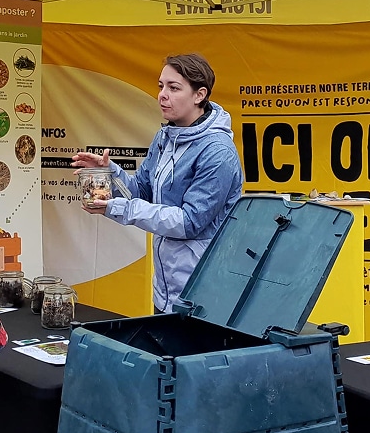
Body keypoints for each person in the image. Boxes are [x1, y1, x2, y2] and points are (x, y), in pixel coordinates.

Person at [72, 53, 243, 313]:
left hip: (204, 297)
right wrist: (110, 172)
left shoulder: (218, 152)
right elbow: (140, 191)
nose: (163, 94)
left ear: (199, 95)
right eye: (161, 86)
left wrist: (117, 209)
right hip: (166, 290)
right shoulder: (165, 136)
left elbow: (189, 222)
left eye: (174, 88)